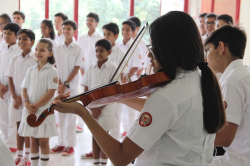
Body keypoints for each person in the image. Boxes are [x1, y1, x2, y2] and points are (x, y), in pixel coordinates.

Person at [53, 11, 226, 166]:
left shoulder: (167, 96)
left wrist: (82, 112)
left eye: (153, 48)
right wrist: (120, 96)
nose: (149, 55)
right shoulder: (201, 78)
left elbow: (120, 157)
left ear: (169, 50)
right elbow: (169, 114)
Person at [204, 25, 250, 166]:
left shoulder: (232, 81)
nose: (206, 57)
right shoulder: (244, 73)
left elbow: (224, 137)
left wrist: (186, 135)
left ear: (221, 47)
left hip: (240, 160)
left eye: (208, 50)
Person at [18, 39, 58, 166]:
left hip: (44, 112)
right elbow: (24, 89)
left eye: (42, 50)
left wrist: (34, 106)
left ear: (50, 53)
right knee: (33, 141)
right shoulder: (31, 70)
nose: (38, 52)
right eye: (36, 49)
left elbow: (50, 93)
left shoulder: (52, 71)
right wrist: (26, 104)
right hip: (30, 111)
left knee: (43, 142)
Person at [80, 39, 117, 165]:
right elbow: (85, 91)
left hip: (106, 110)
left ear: (109, 52)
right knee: (94, 138)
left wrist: (99, 107)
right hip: (92, 109)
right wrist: (91, 108)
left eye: (102, 50)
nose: (98, 53)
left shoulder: (114, 69)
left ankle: (103, 163)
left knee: (104, 140)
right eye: (96, 50)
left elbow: (112, 92)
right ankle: (96, 163)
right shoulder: (90, 68)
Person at [50, 20, 83, 156]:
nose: (65, 31)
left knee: (70, 117)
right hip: (59, 87)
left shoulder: (78, 49)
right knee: (59, 117)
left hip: (72, 88)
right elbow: (55, 66)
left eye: (68, 29)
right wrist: (59, 84)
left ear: (74, 31)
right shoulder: (57, 48)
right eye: (64, 29)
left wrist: (65, 84)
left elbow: (76, 68)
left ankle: (70, 145)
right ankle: (61, 143)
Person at [5, 29, 36, 165]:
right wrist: (13, 96)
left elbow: (35, 80)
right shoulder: (14, 58)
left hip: (29, 99)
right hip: (16, 98)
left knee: (28, 127)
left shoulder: (36, 59)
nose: (21, 41)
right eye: (19, 38)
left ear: (32, 42)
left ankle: (28, 158)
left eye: (25, 39)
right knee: (18, 126)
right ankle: (19, 155)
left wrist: (26, 99)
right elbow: (10, 78)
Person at [76, 12, 102, 132]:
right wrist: (82, 72)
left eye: (91, 20)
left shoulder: (100, 38)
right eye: (87, 20)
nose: (88, 22)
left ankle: (96, 121)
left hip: (96, 73)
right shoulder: (81, 38)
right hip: (83, 72)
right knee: (83, 97)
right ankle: (80, 124)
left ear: (96, 23)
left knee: (96, 97)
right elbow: (79, 56)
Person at [117, 20, 142, 137]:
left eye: (127, 29)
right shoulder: (117, 45)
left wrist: (126, 78)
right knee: (121, 105)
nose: (125, 32)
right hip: (120, 80)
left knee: (131, 107)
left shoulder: (136, 46)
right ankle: (124, 128)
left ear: (133, 32)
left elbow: (136, 65)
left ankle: (131, 130)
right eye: (123, 29)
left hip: (131, 80)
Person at [0, 23, 21, 153]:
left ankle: (12, 143)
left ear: (16, 36)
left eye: (9, 33)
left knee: (13, 116)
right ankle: (6, 141)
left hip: (12, 89)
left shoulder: (19, 52)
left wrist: (7, 86)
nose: (6, 35)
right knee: (2, 116)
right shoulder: (2, 51)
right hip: (1, 90)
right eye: (4, 32)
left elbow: (15, 72)